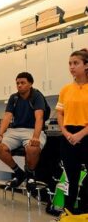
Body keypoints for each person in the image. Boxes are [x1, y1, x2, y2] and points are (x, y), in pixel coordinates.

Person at [0, 72, 46, 191]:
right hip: (15, 131)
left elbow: (39, 118)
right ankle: (18, 172)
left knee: (32, 148)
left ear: (30, 84)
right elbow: (7, 116)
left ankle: (30, 174)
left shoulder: (37, 96)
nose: (19, 85)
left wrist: (36, 137)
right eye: (17, 83)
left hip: (32, 130)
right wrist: (0, 134)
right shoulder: (14, 98)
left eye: (23, 83)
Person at [56, 49, 88, 214]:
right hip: (68, 136)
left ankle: (84, 212)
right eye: (70, 63)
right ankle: (68, 212)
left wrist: (80, 134)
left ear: (86, 65)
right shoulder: (66, 89)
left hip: (86, 134)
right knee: (71, 179)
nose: (72, 67)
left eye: (76, 63)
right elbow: (60, 113)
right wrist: (66, 133)